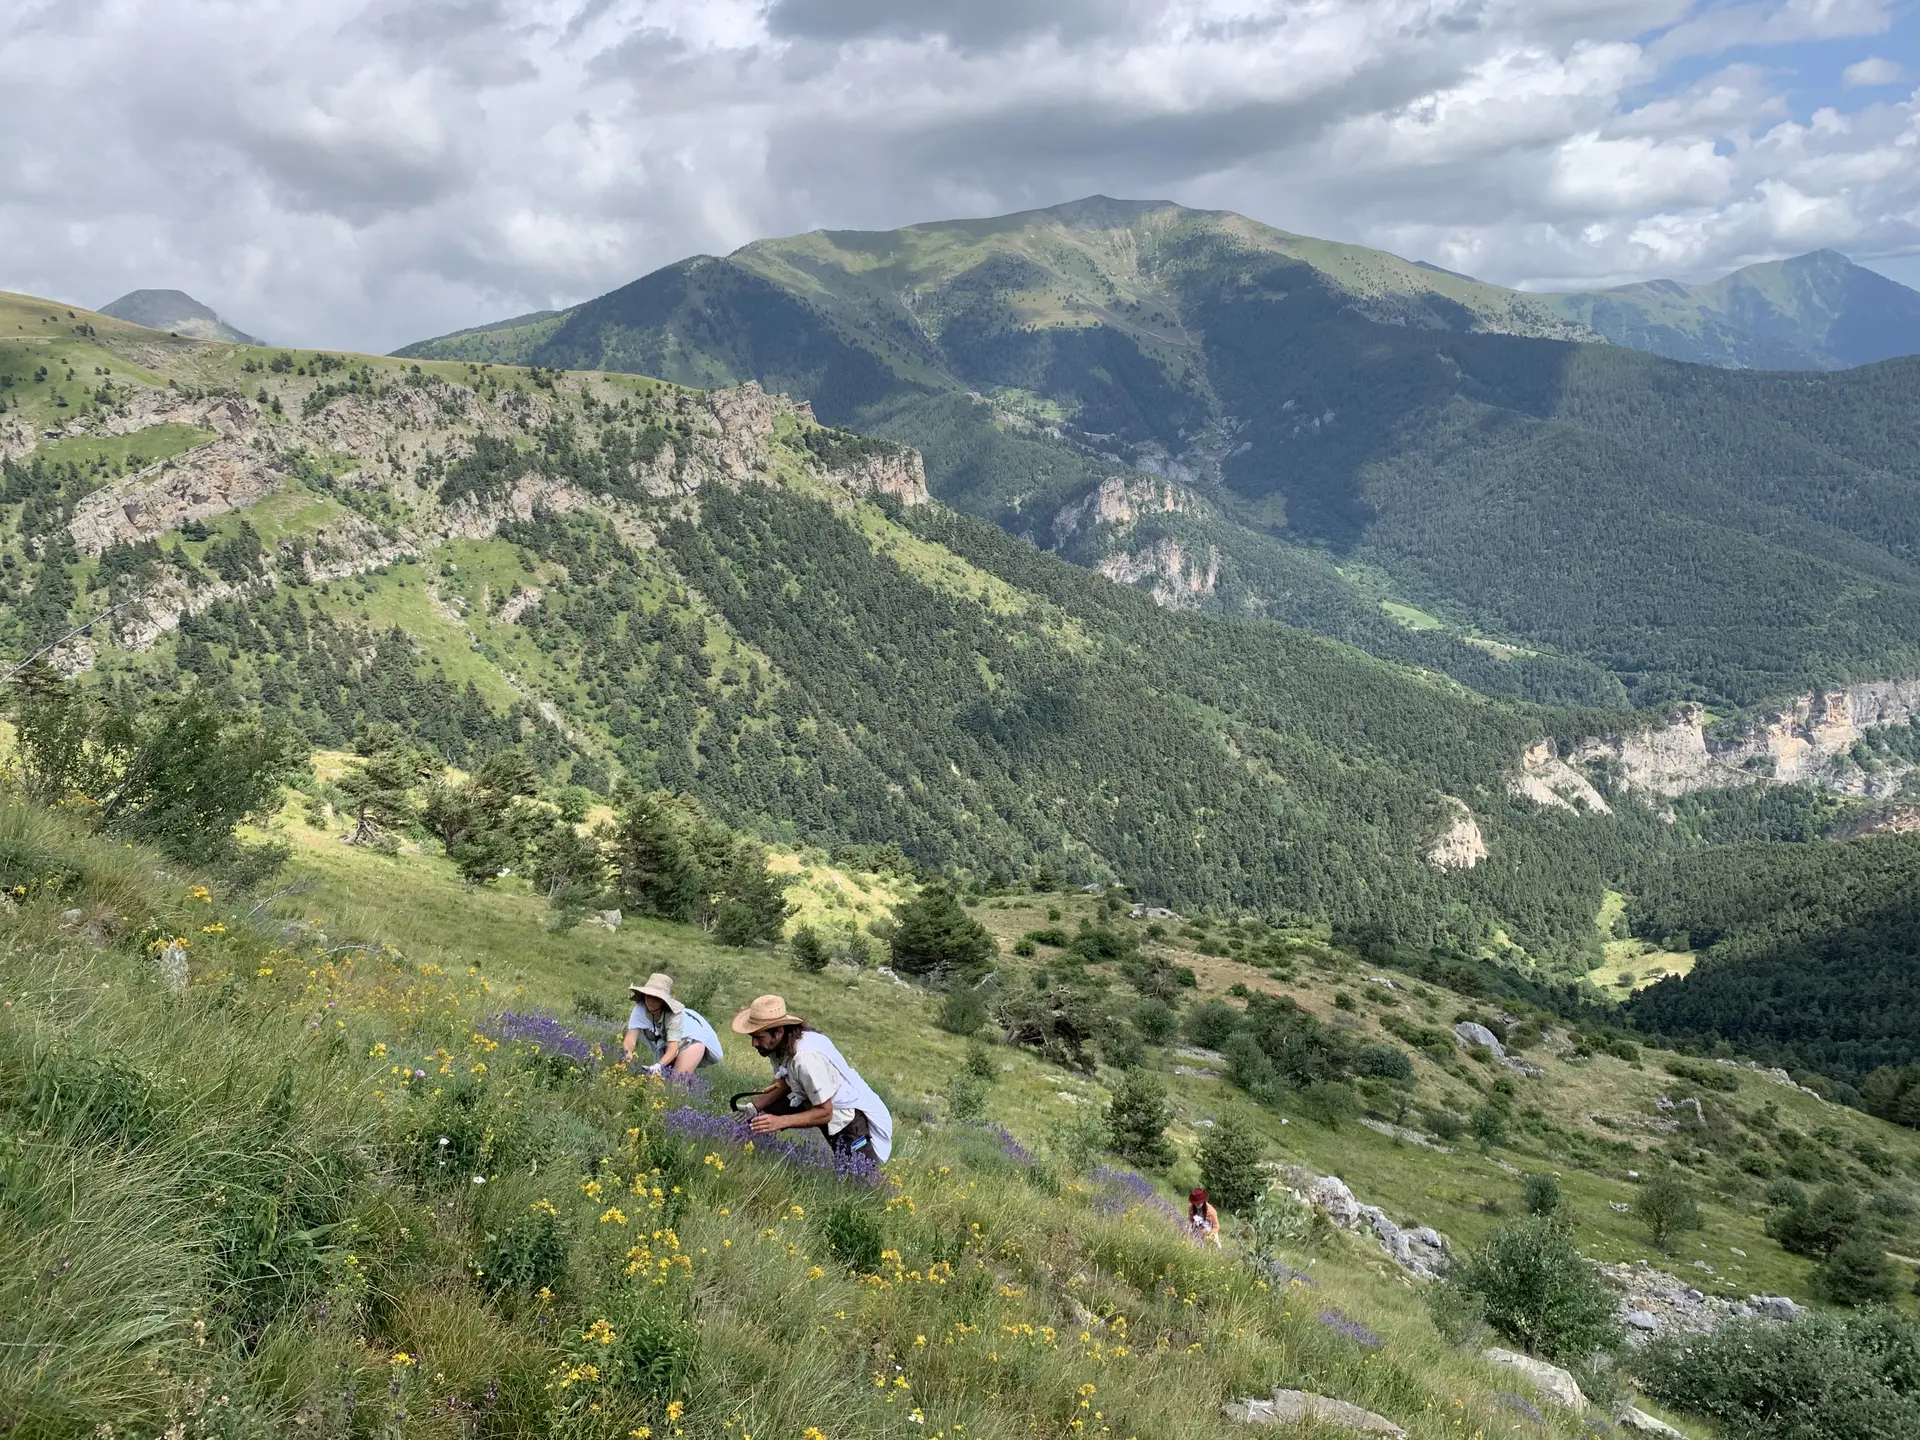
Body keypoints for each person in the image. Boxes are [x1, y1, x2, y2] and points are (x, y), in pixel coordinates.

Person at [731, 993, 894, 1164]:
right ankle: (736, 1152)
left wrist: (779, 1122)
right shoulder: (781, 1045)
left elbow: (825, 1112)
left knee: (859, 1180)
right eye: (752, 1037)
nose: (754, 1044)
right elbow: (787, 1080)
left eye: (758, 1037)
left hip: (849, 1117)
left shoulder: (806, 1058)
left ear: (778, 1031)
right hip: (816, 1101)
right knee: (757, 1119)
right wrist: (754, 1108)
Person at [623, 972, 723, 1075]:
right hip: (667, 1043)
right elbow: (630, 1038)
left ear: (663, 1001)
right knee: (660, 1081)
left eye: (656, 997)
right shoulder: (640, 1009)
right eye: (648, 996)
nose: (651, 1001)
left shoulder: (674, 1015)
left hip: (691, 1042)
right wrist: (628, 1053)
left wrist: (657, 1067)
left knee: (676, 1083)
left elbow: (673, 1050)